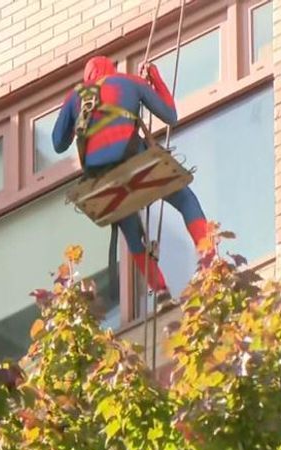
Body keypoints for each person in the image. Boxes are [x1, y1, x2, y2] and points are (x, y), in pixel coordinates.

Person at [51, 55, 214, 301]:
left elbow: (57, 144)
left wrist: (78, 122)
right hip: (134, 160)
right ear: (110, 69)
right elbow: (170, 115)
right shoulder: (130, 82)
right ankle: (209, 261)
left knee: (129, 228)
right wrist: (155, 79)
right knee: (185, 200)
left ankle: (159, 291)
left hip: (101, 177)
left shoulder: (75, 97)